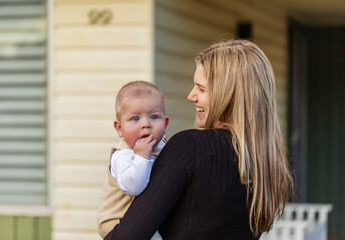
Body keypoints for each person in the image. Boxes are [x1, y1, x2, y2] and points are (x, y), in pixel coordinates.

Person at [104, 39, 293, 240]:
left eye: (201, 89)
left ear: (227, 96)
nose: (191, 96)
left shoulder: (190, 147)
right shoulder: (262, 162)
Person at [97, 81, 169, 239]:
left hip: (142, 217)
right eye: (135, 118)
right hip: (116, 219)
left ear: (165, 124)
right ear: (119, 129)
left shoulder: (165, 146)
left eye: (154, 117)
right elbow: (134, 187)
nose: (146, 124)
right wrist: (142, 157)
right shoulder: (122, 155)